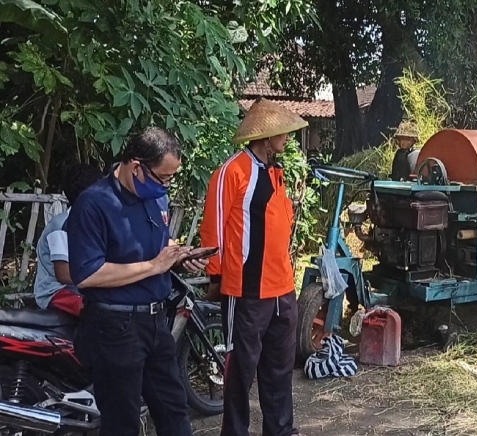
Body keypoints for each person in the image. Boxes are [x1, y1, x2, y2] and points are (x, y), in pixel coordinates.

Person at [67, 127, 207, 436]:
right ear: (136, 167)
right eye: (163, 177)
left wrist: (179, 257)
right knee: (123, 421)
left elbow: (159, 243)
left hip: (156, 322)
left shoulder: (154, 196)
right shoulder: (93, 204)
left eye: (172, 178)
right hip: (115, 326)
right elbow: (87, 274)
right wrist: (154, 266)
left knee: (174, 410)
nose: (167, 186)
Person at [200, 98, 306, 436]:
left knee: (279, 370)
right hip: (246, 290)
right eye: (283, 133)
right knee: (240, 373)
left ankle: (281, 431)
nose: (288, 138)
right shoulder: (232, 171)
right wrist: (216, 275)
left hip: (283, 290)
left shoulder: (277, 173)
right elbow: (213, 228)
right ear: (266, 135)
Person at [34, 163, 103, 316]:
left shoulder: (90, 223)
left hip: (81, 288)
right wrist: (103, 279)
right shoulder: (62, 226)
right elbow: (64, 275)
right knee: (101, 312)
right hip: (56, 292)